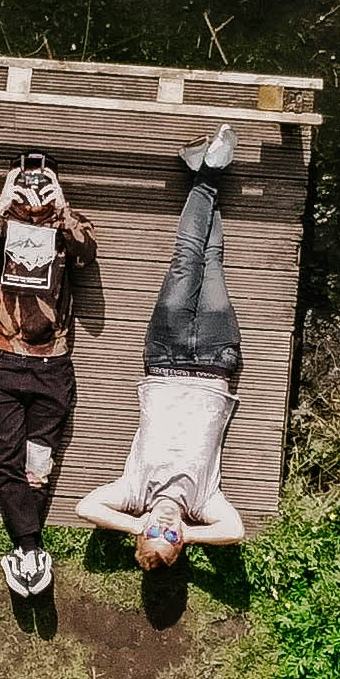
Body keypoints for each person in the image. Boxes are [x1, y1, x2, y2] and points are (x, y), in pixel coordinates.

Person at [75, 123, 249, 569]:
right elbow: (235, 531)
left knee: (186, 259)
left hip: (166, 357)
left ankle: (208, 175)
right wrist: (190, 530)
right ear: (182, 539)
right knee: (211, 262)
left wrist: (135, 524)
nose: (165, 526)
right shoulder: (204, 503)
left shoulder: (133, 493)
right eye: (170, 537)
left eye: (156, 532)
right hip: (215, 361)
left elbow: (86, 508)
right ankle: (203, 173)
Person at [0, 148, 99, 598]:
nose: (34, 187)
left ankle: (27, 551)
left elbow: (86, 253)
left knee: (38, 465)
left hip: (51, 363)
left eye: (42, 179)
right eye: (27, 178)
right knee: (7, 460)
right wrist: (4, 205)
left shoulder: (69, 223)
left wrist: (59, 208)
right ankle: (31, 550)